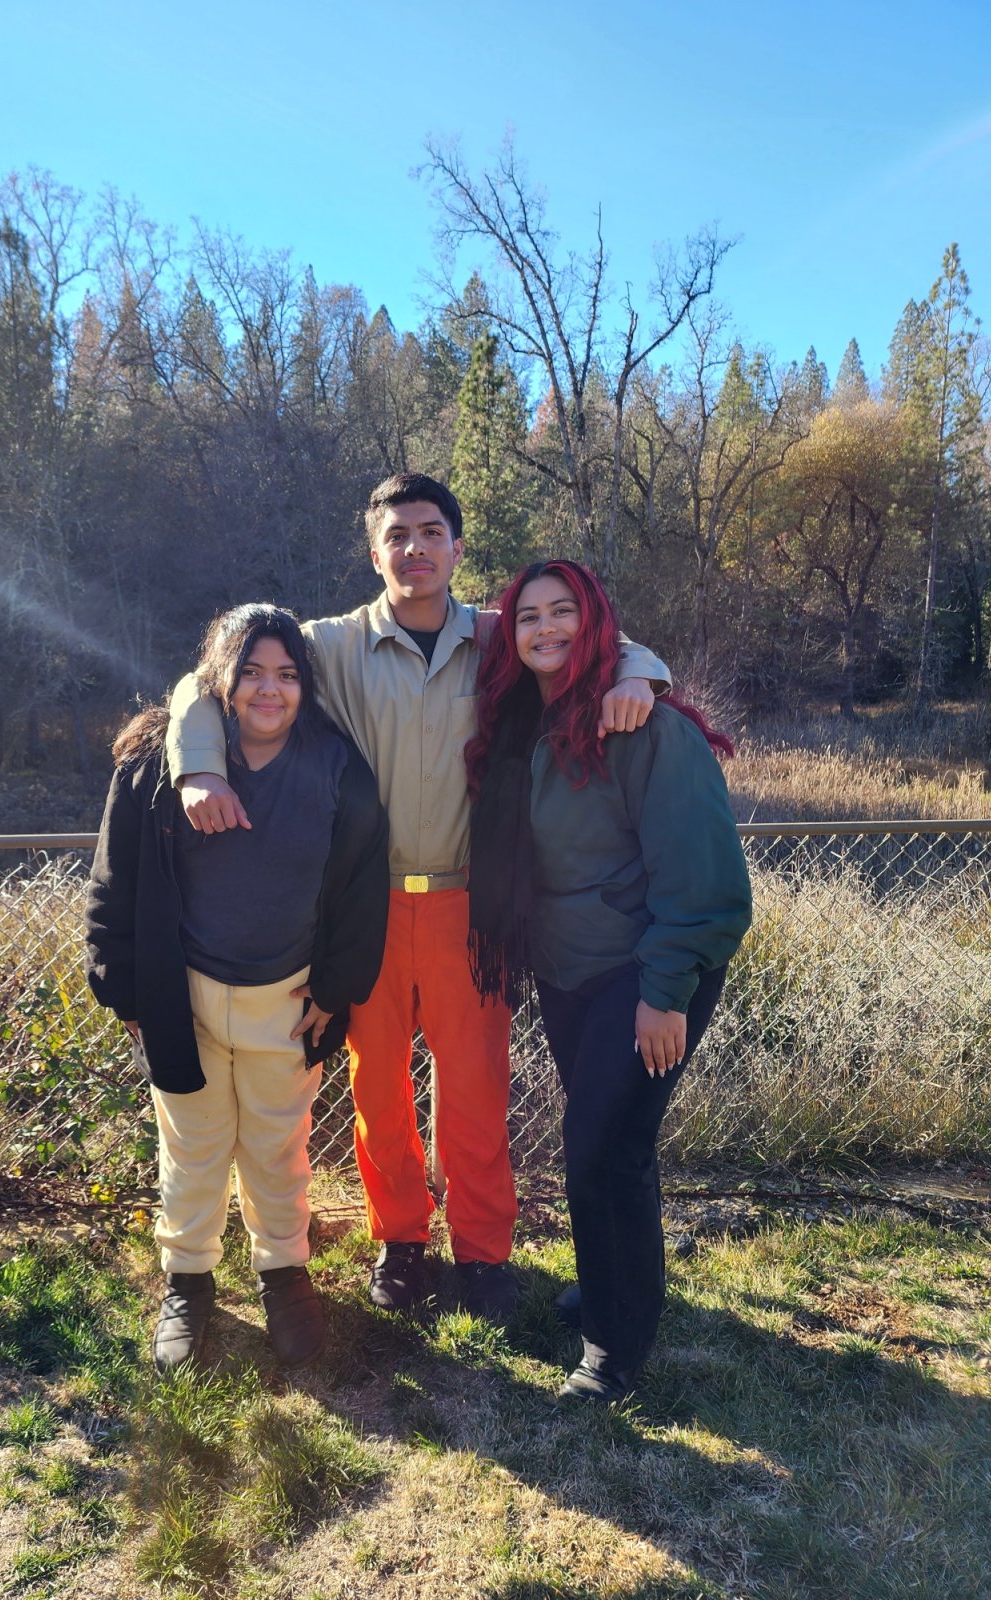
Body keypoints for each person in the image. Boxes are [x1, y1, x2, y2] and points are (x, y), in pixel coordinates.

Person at [164, 475, 670, 1322]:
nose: (416, 549)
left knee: (475, 1089)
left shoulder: (504, 637)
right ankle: (401, 1243)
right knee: (378, 1090)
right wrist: (199, 764)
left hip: (475, 905)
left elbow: (609, 646)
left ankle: (482, 1254)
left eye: (432, 533)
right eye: (397, 536)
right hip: (364, 905)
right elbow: (203, 680)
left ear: (458, 548)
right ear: (374, 553)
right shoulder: (328, 645)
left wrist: (642, 681)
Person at [465, 560, 751, 1401]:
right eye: (529, 618)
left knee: (596, 1150)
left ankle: (612, 1350)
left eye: (564, 614)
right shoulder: (526, 719)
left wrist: (664, 992)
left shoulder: (646, 726)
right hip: (568, 970)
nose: (545, 629)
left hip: (648, 969)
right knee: (613, 1145)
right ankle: (616, 1285)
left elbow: (706, 883)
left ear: (597, 625)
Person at [86, 605, 388, 1371]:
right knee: (191, 1150)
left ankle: (283, 1274)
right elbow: (113, 883)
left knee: (277, 1150)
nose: (269, 690)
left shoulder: (337, 765)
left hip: (285, 1001)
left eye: (286, 675)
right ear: (218, 677)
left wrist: (337, 986)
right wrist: (124, 991)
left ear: (304, 687)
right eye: (251, 672)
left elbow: (360, 887)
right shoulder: (157, 763)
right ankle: (188, 1284)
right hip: (182, 997)